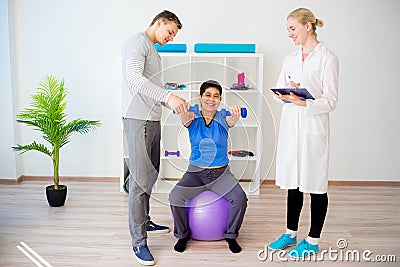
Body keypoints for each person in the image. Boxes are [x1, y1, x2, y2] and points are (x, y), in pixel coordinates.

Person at [269, 8, 339, 259]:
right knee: (293, 183)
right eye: (288, 29)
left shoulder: (327, 58)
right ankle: (290, 233)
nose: (289, 34)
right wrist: (289, 94)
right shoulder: (289, 58)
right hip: (292, 127)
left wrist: (304, 103)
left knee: (316, 184)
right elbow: (280, 93)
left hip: (313, 129)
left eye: (292, 28)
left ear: (307, 26)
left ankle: (313, 239)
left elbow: (331, 100)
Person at [122, 10, 188, 266]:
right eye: (169, 32)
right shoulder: (137, 43)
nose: (170, 38)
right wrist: (167, 96)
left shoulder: (151, 48)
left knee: (150, 173)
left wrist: (168, 95)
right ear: (159, 22)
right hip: (137, 119)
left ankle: (144, 219)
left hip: (151, 118)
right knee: (140, 181)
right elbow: (134, 79)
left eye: (173, 35)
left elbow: (150, 86)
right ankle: (138, 242)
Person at [169, 80, 248, 254]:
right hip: (195, 174)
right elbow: (186, 119)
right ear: (200, 96)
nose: (211, 99)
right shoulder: (192, 114)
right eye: (208, 95)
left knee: (240, 198)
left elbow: (232, 119)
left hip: (221, 174)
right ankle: (183, 236)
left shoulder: (223, 116)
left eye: (216, 96)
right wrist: (182, 111)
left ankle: (231, 235)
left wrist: (235, 113)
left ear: (220, 99)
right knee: (175, 197)